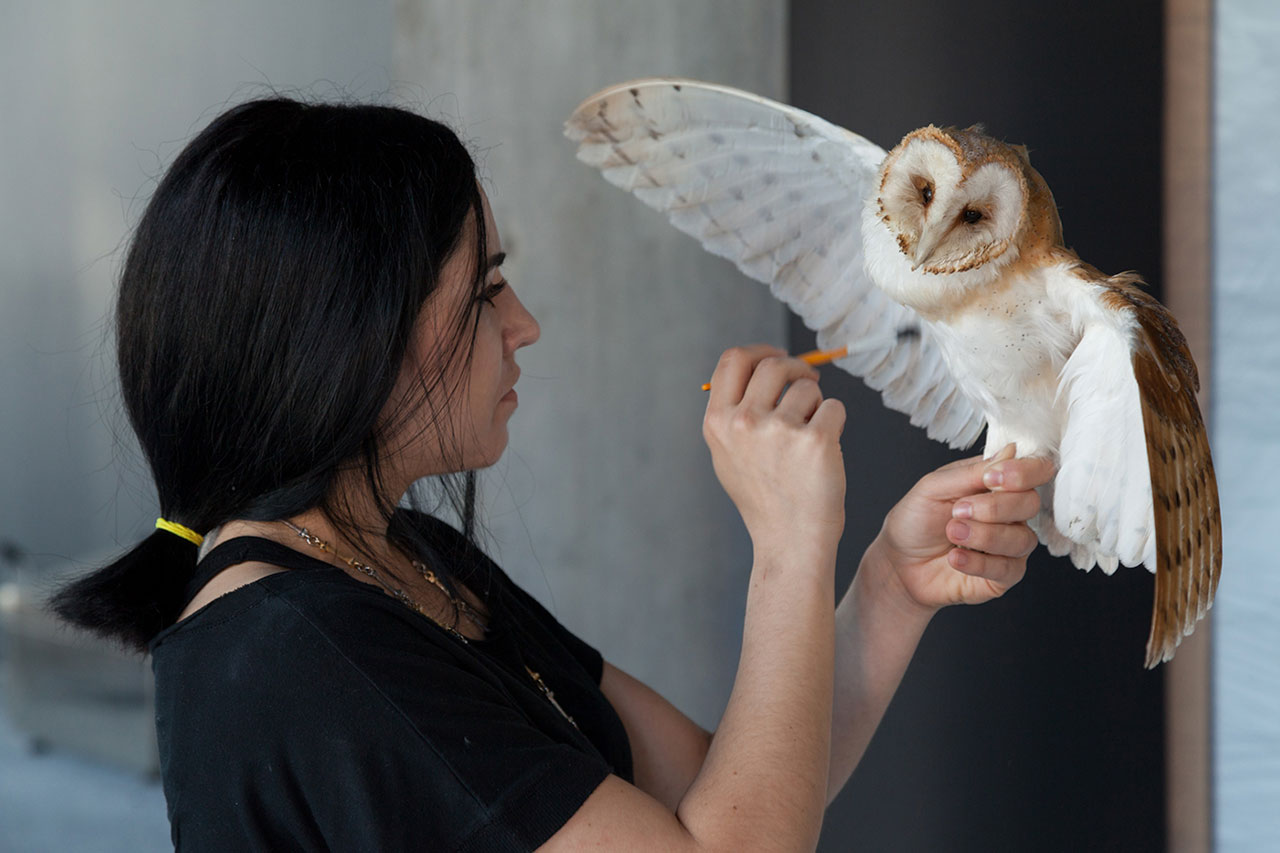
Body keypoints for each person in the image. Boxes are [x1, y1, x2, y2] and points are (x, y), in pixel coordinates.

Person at [51, 96, 1054, 851]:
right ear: (345, 341)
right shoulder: (302, 649)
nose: (522, 324)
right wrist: (790, 541)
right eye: (485, 289)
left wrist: (884, 586)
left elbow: (731, 787)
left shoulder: (400, 563)